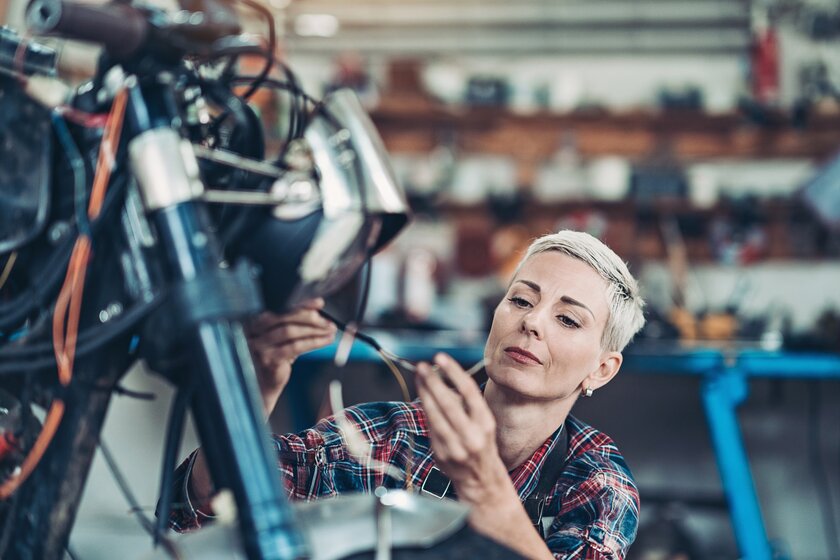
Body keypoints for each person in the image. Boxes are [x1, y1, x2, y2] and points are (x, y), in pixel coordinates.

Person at [169, 230, 646, 559]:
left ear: (602, 371)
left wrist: (483, 484)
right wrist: (257, 387)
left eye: (567, 319)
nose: (532, 322)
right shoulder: (384, 437)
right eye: (521, 299)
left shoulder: (597, 482)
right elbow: (210, 507)